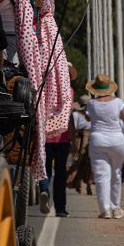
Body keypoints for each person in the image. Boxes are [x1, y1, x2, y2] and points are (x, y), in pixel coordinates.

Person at [85, 74, 124, 219]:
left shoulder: (91, 104)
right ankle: (116, 207)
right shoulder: (118, 103)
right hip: (117, 141)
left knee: (101, 176)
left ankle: (105, 210)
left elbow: (88, 117)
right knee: (116, 173)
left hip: (98, 141)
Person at [38, 63, 77, 217]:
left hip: (45, 136)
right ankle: (60, 209)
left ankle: (44, 189)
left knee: (45, 169)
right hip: (63, 137)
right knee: (61, 173)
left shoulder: (46, 90)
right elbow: (70, 117)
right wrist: (73, 140)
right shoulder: (70, 92)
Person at [68, 94, 92, 195]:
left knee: (87, 163)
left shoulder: (90, 113)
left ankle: (86, 184)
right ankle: (78, 183)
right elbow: (75, 129)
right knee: (80, 161)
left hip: (91, 137)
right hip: (82, 137)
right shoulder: (76, 115)